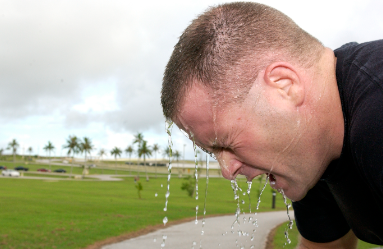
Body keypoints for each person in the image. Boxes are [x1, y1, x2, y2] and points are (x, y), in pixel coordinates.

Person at [161, 2, 383, 248]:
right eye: (211, 152)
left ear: (284, 86)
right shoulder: (309, 151)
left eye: (226, 143)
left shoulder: (376, 114)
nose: (227, 171)